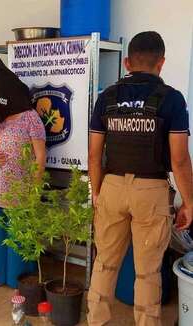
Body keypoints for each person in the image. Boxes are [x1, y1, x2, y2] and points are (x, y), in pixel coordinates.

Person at [87, 31, 193, 326]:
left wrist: (97, 193)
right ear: (161, 63)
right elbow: (180, 159)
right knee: (147, 272)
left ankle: (96, 321)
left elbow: (94, 155)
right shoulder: (171, 99)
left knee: (104, 264)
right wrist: (190, 202)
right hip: (151, 191)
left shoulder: (106, 98)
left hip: (111, 187)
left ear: (126, 62)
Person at [0, 58, 46, 290]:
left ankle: (18, 279)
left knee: (18, 235)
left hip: (20, 188)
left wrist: (35, 188)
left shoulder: (30, 118)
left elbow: (40, 157)